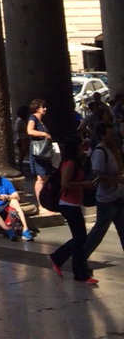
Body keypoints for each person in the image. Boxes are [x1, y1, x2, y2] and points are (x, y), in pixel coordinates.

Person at [48, 135, 98, 284]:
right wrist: (84, 184)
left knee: (80, 238)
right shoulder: (69, 163)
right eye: (79, 145)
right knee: (80, 238)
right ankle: (66, 263)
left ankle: (74, 269)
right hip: (68, 204)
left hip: (74, 203)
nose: (82, 147)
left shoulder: (75, 162)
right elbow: (65, 183)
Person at [80, 120, 124, 262]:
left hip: (118, 196)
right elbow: (97, 176)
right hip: (107, 199)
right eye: (110, 135)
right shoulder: (100, 152)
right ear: (102, 136)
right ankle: (81, 256)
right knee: (99, 231)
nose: (113, 137)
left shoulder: (112, 149)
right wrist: (117, 180)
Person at [0, 163, 33, 239]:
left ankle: (25, 229)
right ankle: (8, 230)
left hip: (4, 205)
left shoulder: (5, 181)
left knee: (15, 201)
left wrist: (7, 197)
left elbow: (16, 195)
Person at [26, 99, 53, 201]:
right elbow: (29, 131)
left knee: (46, 177)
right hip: (38, 152)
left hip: (45, 152)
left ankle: (46, 201)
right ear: (37, 108)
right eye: (43, 107)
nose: (45, 109)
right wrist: (44, 134)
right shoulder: (33, 118)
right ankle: (41, 204)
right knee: (40, 178)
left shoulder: (42, 121)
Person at [13, 105, 30, 170]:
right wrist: (18, 139)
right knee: (22, 155)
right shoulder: (19, 120)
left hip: (27, 138)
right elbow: (16, 130)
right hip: (22, 139)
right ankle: (20, 169)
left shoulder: (26, 120)